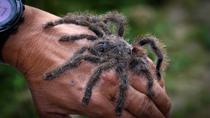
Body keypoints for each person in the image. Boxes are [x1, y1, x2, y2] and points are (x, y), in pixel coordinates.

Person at [1, 4, 171, 118]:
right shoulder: (102, 36)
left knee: (89, 59)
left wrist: (88, 92)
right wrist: (36, 27)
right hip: (116, 45)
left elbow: (99, 68)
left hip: (127, 55)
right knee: (87, 30)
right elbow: (107, 19)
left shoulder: (116, 60)